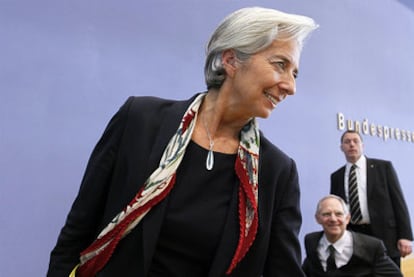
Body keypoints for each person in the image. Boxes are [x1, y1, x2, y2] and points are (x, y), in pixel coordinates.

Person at [47, 7, 318, 277]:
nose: (290, 86)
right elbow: (76, 232)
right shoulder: (139, 120)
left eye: (294, 73)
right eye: (280, 65)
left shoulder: (277, 171)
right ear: (231, 60)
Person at [330, 130, 413, 267]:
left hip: (385, 237)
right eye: (347, 142)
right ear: (341, 148)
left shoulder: (383, 167)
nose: (351, 144)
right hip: (354, 237)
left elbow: (398, 202)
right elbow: (336, 209)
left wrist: (405, 236)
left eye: (355, 141)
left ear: (362, 145)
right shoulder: (337, 176)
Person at [302, 195, 402, 277]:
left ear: (347, 218)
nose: (333, 219)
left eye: (338, 214)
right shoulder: (311, 241)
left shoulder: (371, 247)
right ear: (317, 219)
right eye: (327, 214)